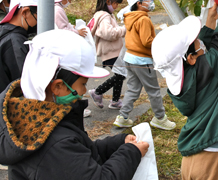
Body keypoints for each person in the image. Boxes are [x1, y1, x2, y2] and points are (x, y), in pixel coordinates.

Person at [0, 29, 148, 179]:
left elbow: (81, 155)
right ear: (57, 87)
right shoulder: (56, 142)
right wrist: (131, 153)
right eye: (83, 83)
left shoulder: (36, 120)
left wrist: (118, 142)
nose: (84, 90)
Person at [152, 0, 218, 180]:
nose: (200, 41)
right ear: (190, 58)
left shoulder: (186, 79)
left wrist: (210, 20)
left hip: (196, 156)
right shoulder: (205, 70)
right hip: (212, 154)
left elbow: (204, 52)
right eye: (196, 42)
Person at [114, 0, 175, 130]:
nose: (151, 1)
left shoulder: (130, 17)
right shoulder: (144, 20)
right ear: (139, 3)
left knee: (133, 90)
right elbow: (147, 41)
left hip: (130, 59)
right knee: (153, 90)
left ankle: (122, 117)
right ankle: (160, 118)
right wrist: (163, 38)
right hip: (142, 61)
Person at [0, 0, 59, 92]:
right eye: (41, 15)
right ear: (25, 12)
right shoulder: (15, 41)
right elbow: (25, 85)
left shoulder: (7, 32)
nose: (45, 20)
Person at [88, 0, 126, 110]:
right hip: (110, 52)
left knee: (120, 74)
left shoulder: (105, 15)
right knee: (121, 74)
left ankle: (115, 101)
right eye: (116, 3)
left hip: (112, 51)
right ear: (108, 1)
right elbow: (107, 33)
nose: (117, 6)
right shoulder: (105, 16)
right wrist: (123, 29)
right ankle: (98, 92)